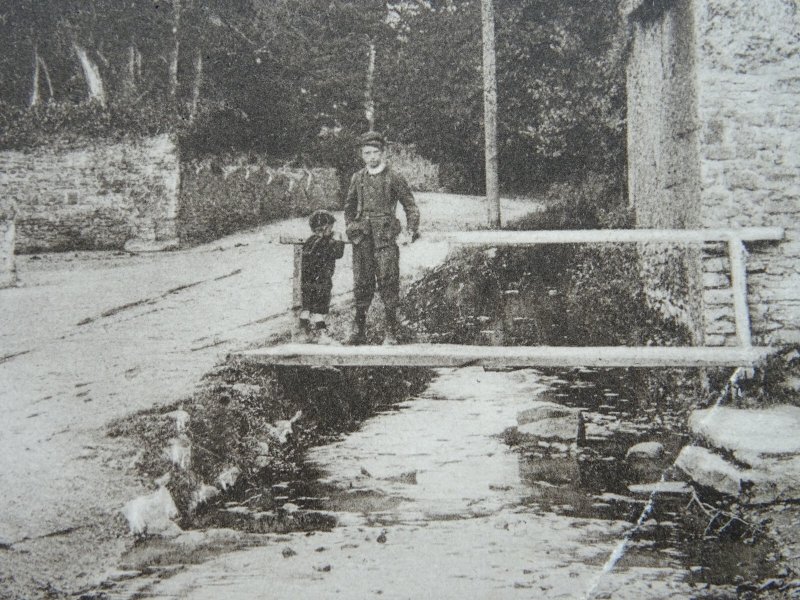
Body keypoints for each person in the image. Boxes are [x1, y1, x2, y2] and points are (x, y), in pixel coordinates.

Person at [344, 132, 420, 345]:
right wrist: (351, 227)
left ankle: (391, 331)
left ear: (383, 153)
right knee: (361, 283)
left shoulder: (393, 177)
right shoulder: (357, 178)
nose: (371, 157)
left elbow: (410, 206)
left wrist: (410, 231)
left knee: (388, 281)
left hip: (385, 238)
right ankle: (358, 329)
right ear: (362, 155)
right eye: (367, 153)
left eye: (375, 152)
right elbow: (349, 207)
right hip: (362, 239)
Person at [299, 210, 346, 344]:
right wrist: (338, 239)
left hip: (307, 280)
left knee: (307, 308)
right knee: (320, 308)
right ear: (325, 227)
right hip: (322, 280)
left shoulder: (310, 241)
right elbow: (338, 253)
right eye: (331, 227)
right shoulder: (326, 242)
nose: (332, 230)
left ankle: (305, 334)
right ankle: (321, 336)